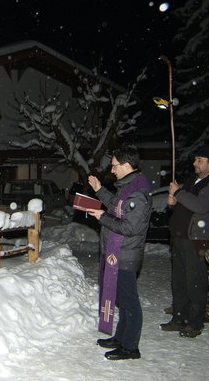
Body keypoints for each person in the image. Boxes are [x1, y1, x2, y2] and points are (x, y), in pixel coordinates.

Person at [86, 146, 152, 361]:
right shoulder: (128, 188)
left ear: (126, 165)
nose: (112, 170)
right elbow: (116, 206)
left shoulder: (138, 192)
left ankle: (130, 347)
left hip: (126, 254)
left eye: (115, 166)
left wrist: (102, 217)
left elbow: (130, 227)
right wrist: (98, 190)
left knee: (129, 301)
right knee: (122, 300)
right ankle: (121, 338)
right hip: (119, 252)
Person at [160, 145, 209, 338]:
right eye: (195, 159)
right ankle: (179, 318)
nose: (195, 163)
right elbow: (184, 206)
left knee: (194, 283)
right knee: (179, 281)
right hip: (180, 237)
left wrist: (178, 193)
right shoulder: (192, 181)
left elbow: (201, 206)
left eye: (199, 159)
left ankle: (195, 323)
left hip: (197, 240)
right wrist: (173, 203)